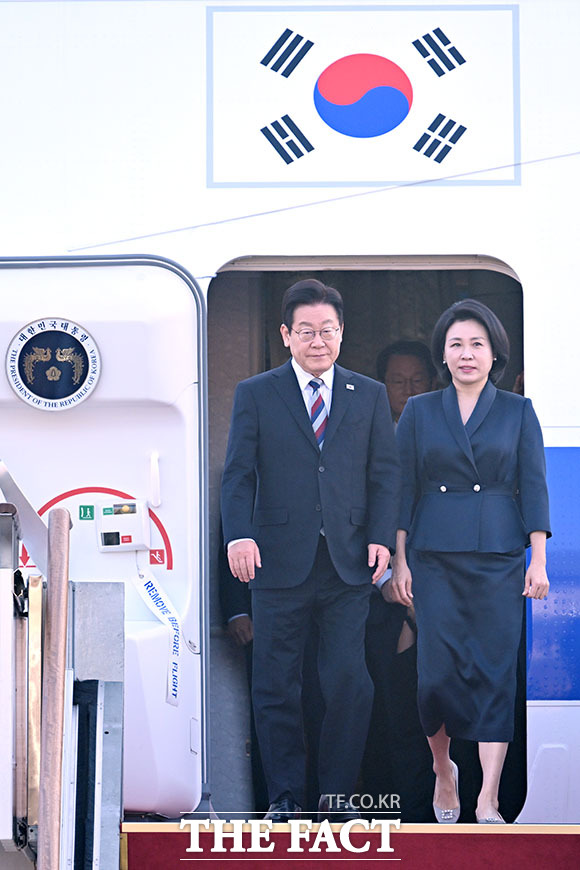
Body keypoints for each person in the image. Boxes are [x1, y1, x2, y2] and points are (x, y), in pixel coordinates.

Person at [221, 278, 401, 822]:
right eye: (306, 331)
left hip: (348, 563)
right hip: (276, 561)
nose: (318, 340)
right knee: (277, 683)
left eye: (327, 330)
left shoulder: (367, 394)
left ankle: (338, 796)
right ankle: (285, 797)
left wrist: (379, 536)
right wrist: (238, 534)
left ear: (341, 332)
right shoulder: (256, 392)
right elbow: (237, 474)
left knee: (349, 681)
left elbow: (385, 475)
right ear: (286, 335)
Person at [390, 298, 550, 824]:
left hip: (499, 557)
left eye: (476, 344)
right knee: (434, 676)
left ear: (493, 353)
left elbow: (534, 487)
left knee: (493, 674)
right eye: (456, 344)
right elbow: (402, 489)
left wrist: (538, 559)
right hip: (434, 556)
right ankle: (444, 770)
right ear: (444, 352)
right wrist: (401, 559)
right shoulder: (419, 411)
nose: (466, 354)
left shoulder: (518, 411)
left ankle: (488, 796)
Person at [362, 341, 436, 820]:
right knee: (392, 719)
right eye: (397, 382)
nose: (408, 392)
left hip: (449, 597)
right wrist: (389, 579)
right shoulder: (366, 435)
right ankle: (402, 818)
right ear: (380, 387)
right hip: (382, 599)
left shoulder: (446, 431)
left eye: (417, 382)